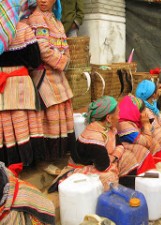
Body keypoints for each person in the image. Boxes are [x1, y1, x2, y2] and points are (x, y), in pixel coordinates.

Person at [49, 96, 139, 192]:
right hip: (82, 167)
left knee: (129, 158)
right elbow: (103, 165)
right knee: (109, 177)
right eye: (118, 114)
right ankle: (110, 199)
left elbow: (120, 146)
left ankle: (127, 191)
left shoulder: (108, 129)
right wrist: (114, 157)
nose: (119, 117)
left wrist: (113, 157)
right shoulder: (94, 137)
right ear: (108, 118)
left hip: (103, 161)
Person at [28, 0, 76, 162]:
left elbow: (65, 47)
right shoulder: (36, 18)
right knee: (52, 114)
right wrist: (62, 61)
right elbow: (42, 49)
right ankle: (49, 158)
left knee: (63, 111)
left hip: (58, 76)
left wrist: (66, 59)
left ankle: (61, 156)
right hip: (45, 76)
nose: (43, 0)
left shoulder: (57, 22)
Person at [0, 0, 45, 168]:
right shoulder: (24, 29)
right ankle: (28, 162)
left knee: (5, 124)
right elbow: (35, 60)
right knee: (24, 120)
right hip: (20, 84)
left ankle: (7, 162)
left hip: (1, 86)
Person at [118, 94, 159, 169]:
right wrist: (146, 125)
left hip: (134, 148)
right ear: (136, 111)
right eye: (143, 111)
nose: (145, 114)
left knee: (155, 143)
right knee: (143, 151)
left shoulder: (133, 122)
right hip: (126, 153)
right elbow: (147, 143)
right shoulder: (124, 126)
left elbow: (151, 134)